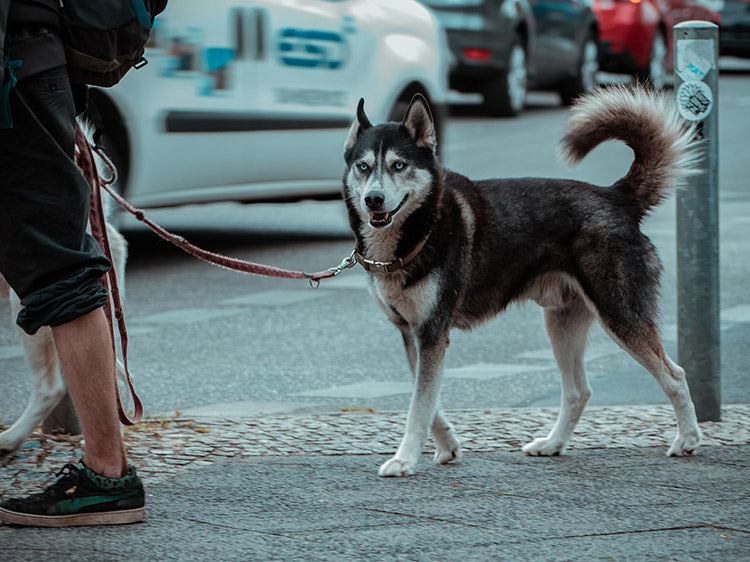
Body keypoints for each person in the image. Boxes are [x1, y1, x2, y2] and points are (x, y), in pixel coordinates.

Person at [0, 0, 144, 527]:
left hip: (17, 74)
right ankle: (108, 471)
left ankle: (107, 472)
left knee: (58, 267)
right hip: (32, 64)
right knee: (58, 260)